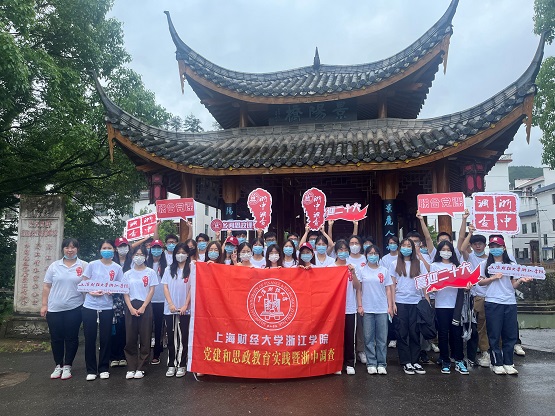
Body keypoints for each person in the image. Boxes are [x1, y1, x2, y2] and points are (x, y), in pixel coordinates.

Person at [478, 236, 532, 375]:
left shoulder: (511, 265)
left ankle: (508, 362)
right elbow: (480, 282)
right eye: (492, 247)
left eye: (498, 246)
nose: (495, 249)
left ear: (503, 248)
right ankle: (496, 363)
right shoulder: (485, 264)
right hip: (493, 301)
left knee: (510, 334)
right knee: (494, 334)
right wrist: (492, 278)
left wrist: (520, 280)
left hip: (509, 302)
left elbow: (513, 284)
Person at [41, 238, 88, 380]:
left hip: (75, 307)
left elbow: (89, 285)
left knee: (71, 338)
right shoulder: (54, 266)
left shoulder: (84, 265)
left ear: (77, 249)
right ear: (63, 249)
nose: (70, 250)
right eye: (67, 247)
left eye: (73, 247)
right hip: (54, 308)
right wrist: (44, 305)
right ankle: (58, 365)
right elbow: (47, 286)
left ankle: (68, 365)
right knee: (56, 338)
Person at [81, 240, 124, 381]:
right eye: (104, 248)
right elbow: (84, 282)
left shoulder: (117, 268)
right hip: (90, 306)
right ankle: (91, 369)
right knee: (90, 338)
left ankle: (104, 368)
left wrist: (114, 291)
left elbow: (121, 285)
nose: (107, 250)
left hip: (107, 306)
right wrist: (91, 292)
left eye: (109, 248)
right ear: (99, 250)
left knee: (106, 338)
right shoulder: (92, 265)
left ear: (114, 250)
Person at [390, 238, 428, 375]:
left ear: (413, 249)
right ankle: (406, 361)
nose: (406, 248)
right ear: (400, 248)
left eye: (409, 246)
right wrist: (392, 303)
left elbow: (424, 284)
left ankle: (415, 360)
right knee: (402, 332)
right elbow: (392, 285)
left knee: (415, 332)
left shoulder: (419, 264)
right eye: (404, 245)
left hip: (415, 302)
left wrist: (426, 300)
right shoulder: (394, 263)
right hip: (400, 302)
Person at [431, 241, 469, 375]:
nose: (446, 252)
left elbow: (464, 284)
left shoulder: (457, 266)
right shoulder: (434, 266)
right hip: (441, 304)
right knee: (442, 333)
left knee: (456, 333)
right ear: (439, 251)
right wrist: (434, 287)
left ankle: (459, 360)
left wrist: (467, 286)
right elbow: (431, 285)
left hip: (456, 305)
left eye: (448, 250)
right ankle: (445, 360)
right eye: (443, 249)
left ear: (452, 252)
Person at [358, 244, 394, 375]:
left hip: (382, 308)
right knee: (368, 338)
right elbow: (359, 289)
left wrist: (390, 306)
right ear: (366, 255)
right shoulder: (362, 270)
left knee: (382, 339)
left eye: (375, 253)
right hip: (367, 308)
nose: (373, 256)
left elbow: (388, 289)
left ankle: (382, 364)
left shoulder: (384, 270)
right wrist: (360, 305)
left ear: (379, 255)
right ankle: (371, 363)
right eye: (370, 253)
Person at [122, 245, 157, 379]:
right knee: (130, 338)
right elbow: (125, 292)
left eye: (141, 254)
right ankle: (131, 367)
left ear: (146, 256)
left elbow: (151, 290)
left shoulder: (150, 272)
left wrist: (143, 306)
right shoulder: (127, 274)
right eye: (136, 255)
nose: (139, 257)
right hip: (131, 305)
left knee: (145, 337)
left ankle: (142, 367)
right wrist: (130, 308)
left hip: (145, 306)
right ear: (132, 257)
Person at [329, 239, 361, 375]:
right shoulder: (330, 267)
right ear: (336, 252)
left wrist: (353, 273)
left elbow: (358, 287)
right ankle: (336, 363)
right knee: (336, 337)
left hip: (350, 307)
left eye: (345, 250)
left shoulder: (353, 267)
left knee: (349, 336)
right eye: (340, 250)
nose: (343, 252)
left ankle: (349, 363)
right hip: (335, 309)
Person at [162, 243, 194, 377]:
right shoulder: (168, 269)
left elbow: (192, 288)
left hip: (185, 309)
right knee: (171, 337)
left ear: (188, 254)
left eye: (183, 252)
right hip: (170, 309)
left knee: (183, 337)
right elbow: (165, 287)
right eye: (178, 252)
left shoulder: (191, 269)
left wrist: (186, 305)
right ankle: (171, 364)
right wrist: (170, 304)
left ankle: (181, 364)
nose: (180, 255)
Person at [460, 226, 490, 367]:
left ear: (485, 245)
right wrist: (470, 233)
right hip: (476, 296)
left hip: (492, 296)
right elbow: (462, 249)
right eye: (475, 244)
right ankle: (484, 351)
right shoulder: (470, 257)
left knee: (492, 325)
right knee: (479, 325)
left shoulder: (490, 259)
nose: (478, 246)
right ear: (471, 246)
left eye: (480, 244)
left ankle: (491, 351)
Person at [111, 236, 132, 368]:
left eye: (125, 246)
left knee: (125, 328)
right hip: (113, 299)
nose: (122, 248)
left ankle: (124, 355)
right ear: (116, 248)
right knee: (113, 327)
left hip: (128, 299)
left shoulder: (132, 262)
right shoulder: (111, 262)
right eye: (120, 246)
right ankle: (114, 356)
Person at [146, 239, 167, 365]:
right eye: (154, 248)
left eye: (159, 248)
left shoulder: (166, 265)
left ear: (162, 250)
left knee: (159, 327)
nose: (156, 250)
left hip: (161, 300)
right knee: (147, 328)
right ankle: (145, 353)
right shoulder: (145, 263)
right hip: (147, 300)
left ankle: (157, 353)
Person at [346, 235, 367, 364]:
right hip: (350, 298)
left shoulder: (366, 258)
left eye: (356, 243)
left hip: (365, 296)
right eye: (351, 243)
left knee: (360, 327)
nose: (354, 245)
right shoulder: (345, 260)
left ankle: (361, 351)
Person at [380, 235, 400, 349]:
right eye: (390, 243)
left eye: (394, 243)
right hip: (388, 287)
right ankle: (392, 338)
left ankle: (400, 337)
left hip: (400, 289)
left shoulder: (401, 257)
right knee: (391, 313)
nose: (392, 245)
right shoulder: (384, 259)